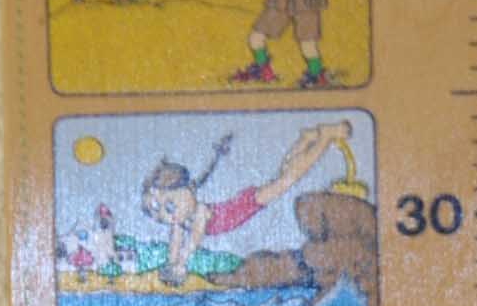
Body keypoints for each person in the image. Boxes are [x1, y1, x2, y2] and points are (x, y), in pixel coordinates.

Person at [140, 118, 350, 282]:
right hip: (243, 205)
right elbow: (175, 242)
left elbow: (194, 240)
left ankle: (325, 136)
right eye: (154, 211)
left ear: (188, 191)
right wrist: (171, 263)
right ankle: (305, 139)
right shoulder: (178, 220)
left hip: (246, 204)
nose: (163, 215)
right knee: (282, 177)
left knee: (286, 180)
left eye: (169, 206)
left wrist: (181, 264)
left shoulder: (200, 213)